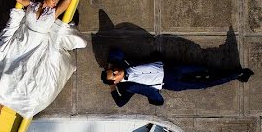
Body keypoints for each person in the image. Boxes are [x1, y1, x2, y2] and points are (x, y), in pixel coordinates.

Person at [0, 0, 87, 118]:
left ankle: (2, 102)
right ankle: (1, 102)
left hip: (37, 44)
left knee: (23, 71)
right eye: (54, 0)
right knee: (11, 66)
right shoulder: (33, 5)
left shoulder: (52, 13)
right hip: (23, 40)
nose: (55, 4)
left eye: (56, 2)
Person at [101, 47, 253, 107]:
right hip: (170, 82)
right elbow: (120, 103)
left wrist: (109, 65)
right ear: (115, 80)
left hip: (171, 68)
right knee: (204, 83)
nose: (116, 71)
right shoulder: (127, 87)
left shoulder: (124, 63)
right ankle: (236, 75)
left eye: (113, 70)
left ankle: (228, 72)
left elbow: (115, 52)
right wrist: (112, 87)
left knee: (202, 68)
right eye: (114, 75)